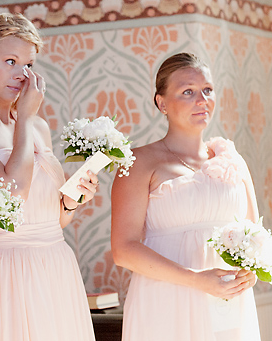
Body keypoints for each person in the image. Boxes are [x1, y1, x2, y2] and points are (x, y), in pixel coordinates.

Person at [0, 13, 98, 341]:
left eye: (28, 64)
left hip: (56, 267)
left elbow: (52, 218)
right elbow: (12, 197)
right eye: (10, 61)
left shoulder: (37, 127)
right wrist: (24, 116)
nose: (22, 75)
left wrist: (69, 202)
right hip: (3, 273)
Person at [111, 52, 261, 341]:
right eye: (188, 92)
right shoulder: (139, 163)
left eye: (207, 90)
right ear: (162, 103)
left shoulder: (233, 160)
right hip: (166, 303)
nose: (201, 99)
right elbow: (123, 250)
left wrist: (249, 272)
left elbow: (254, 236)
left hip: (228, 304)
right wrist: (195, 279)